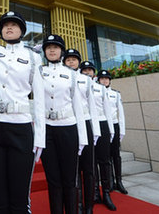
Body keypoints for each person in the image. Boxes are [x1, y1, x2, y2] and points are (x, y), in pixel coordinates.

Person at [0, 11, 45, 213]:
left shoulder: (33, 57)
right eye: (5, 25)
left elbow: (39, 100)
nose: (9, 27)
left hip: (20, 127)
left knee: (19, 197)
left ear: (22, 30)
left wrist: (40, 137)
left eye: (14, 24)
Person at [41, 34, 87, 214]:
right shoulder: (38, 72)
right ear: (44, 51)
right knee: (53, 180)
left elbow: (78, 108)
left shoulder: (71, 75)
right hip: (46, 130)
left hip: (68, 128)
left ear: (61, 51)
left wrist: (82, 138)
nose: (52, 50)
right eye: (48, 47)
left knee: (69, 179)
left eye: (56, 47)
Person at [62, 50, 100, 214]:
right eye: (68, 59)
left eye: (74, 59)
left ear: (79, 62)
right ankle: (76, 205)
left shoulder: (86, 80)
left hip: (85, 123)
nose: (71, 62)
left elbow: (93, 107)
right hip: (69, 124)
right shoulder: (60, 77)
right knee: (73, 168)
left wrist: (96, 131)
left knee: (89, 168)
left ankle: (89, 206)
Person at [80, 62, 116, 211]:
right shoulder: (78, 85)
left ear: (94, 73)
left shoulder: (100, 88)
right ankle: (94, 193)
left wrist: (111, 130)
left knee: (104, 160)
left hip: (102, 125)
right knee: (90, 162)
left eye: (90, 70)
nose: (88, 72)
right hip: (87, 125)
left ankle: (106, 193)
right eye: (85, 70)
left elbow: (108, 110)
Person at [99, 70, 128, 196]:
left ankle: (119, 181)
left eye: (107, 79)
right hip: (104, 126)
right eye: (102, 79)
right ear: (98, 80)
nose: (105, 81)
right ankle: (110, 181)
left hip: (115, 126)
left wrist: (121, 130)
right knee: (105, 155)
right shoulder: (96, 93)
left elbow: (120, 113)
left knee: (116, 155)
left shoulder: (115, 94)